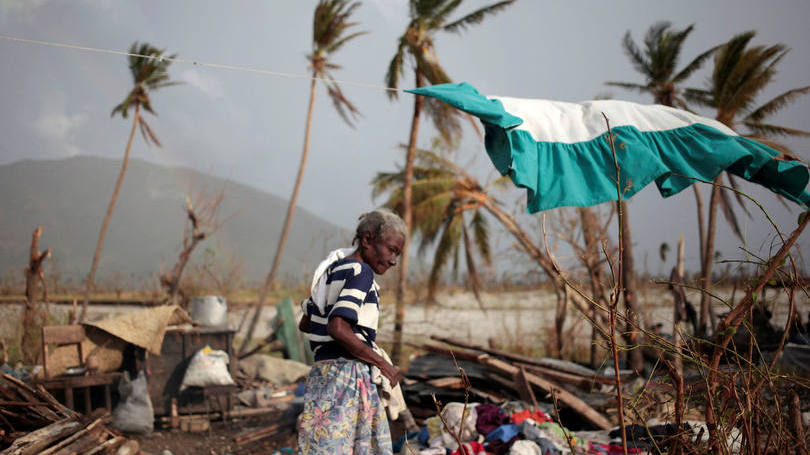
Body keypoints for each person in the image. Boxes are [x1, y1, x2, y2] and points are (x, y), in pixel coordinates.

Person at [297, 208, 406, 455]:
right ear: (367, 240)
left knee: (325, 445)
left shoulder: (331, 271)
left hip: (321, 375)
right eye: (391, 250)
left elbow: (306, 324)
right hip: (347, 376)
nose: (393, 261)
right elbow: (338, 327)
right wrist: (382, 364)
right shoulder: (361, 272)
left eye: (397, 254)